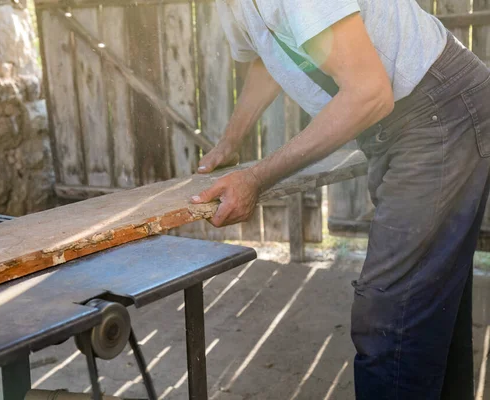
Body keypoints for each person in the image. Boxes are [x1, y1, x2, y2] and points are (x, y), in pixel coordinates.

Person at [190, 0, 490, 398]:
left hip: (439, 109)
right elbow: (268, 58)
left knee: (390, 320)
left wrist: (256, 177)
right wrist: (231, 141)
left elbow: (368, 94)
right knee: (427, 307)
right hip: (407, 118)